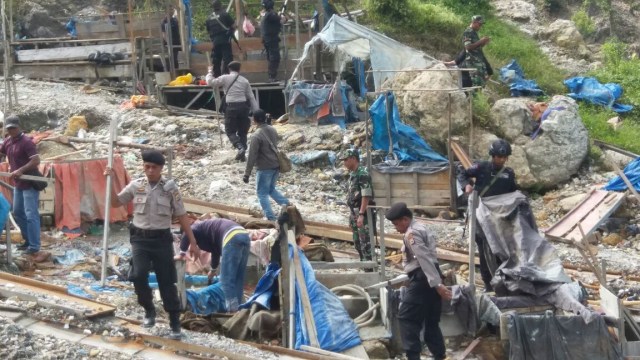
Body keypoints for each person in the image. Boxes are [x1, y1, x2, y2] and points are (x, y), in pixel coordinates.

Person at [106, 150, 201, 340]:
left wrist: (193, 242)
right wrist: (111, 180)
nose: (150, 171)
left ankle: (174, 322)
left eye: (154, 167)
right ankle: (149, 309)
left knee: (166, 281)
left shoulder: (170, 189)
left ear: (161, 169)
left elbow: (182, 215)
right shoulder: (136, 185)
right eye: (147, 166)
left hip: (161, 241)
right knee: (138, 274)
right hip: (140, 239)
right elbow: (116, 203)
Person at [386, 202, 451, 360]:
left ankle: (413, 356)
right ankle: (440, 355)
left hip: (424, 278)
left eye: (396, 224)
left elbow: (423, 259)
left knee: (406, 317)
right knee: (430, 320)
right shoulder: (420, 227)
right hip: (431, 274)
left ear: (405, 219)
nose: (396, 228)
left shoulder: (412, 233)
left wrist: (437, 285)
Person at [457, 138, 516, 291]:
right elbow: (462, 173)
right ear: (492, 155)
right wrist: (467, 186)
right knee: (484, 250)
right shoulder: (481, 167)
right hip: (480, 217)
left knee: (500, 251)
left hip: (499, 218)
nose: (500, 160)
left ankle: (502, 282)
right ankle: (488, 284)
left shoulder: (509, 174)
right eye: (497, 156)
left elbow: (512, 195)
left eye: (503, 157)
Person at [174, 218, 250, 312]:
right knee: (238, 278)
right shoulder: (205, 232)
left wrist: (182, 253)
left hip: (231, 237)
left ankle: (233, 311)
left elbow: (189, 230)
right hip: (244, 235)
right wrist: (213, 270)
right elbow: (215, 251)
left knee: (225, 280)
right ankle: (241, 309)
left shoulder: (194, 228)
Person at [0, 115, 41, 255]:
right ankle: (28, 241)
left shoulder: (26, 142)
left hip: (29, 182)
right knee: (17, 212)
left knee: (31, 214)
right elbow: (1, 152)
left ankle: (35, 246)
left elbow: (36, 160)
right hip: (18, 183)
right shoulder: (8, 142)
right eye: (9, 129)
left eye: (14, 128)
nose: (11, 131)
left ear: (19, 127)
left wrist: (20, 170)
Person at [206, 61, 259, 162]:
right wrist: (256, 112)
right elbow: (251, 97)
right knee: (243, 132)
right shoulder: (245, 81)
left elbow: (211, 82)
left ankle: (240, 148)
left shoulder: (225, 78)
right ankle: (242, 155)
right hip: (244, 107)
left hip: (231, 107)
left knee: (230, 131)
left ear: (229, 69)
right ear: (239, 69)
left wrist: (209, 71)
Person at [243, 109, 290, 221]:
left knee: (262, 194)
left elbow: (252, 156)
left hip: (264, 168)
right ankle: (288, 205)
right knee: (271, 189)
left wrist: (247, 174)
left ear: (254, 120)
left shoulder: (256, 136)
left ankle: (271, 219)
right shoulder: (272, 129)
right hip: (276, 165)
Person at [340, 148, 374, 261]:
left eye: (346, 160)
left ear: (353, 159)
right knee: (357, 241)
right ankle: (363, 263)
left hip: (361, 213)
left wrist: (361, 214)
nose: (344, 163)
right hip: (354, 212)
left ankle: (369, 268)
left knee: (365, 243)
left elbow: (366, 195)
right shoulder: (352, 174)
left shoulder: (362, 173)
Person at [206, 0, 235, 78]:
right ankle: (226, 76)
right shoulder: (225, 14)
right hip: (225, 40)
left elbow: (208, 30)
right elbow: (233, 25)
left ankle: (217, 77)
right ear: (221, 5)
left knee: (216, 60)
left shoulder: (209, 18)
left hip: (215, 42)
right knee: (227, 59)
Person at [461, 15, 493, 87]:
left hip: (478, 64)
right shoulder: (468, 32)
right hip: (472, 64)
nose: (480, 26)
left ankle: (477, 98)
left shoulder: (474, 33)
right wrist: (480, 41)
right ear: (474, 22)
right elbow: (468, 47)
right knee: (476, 85)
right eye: (479, 24)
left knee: (480, 85)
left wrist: (483, 43)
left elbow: (475, 48)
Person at [260, 0, 286, 82]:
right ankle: (272, 76)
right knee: (274, 57)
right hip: (271, 39)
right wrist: (282, 15)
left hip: (267, 39)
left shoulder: (265, 14)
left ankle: (271, 76)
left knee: (271, 57)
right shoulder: (271, 14)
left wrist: (280, 14)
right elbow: (283, 20)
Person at [161, 4, 181, 70]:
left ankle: (177, 73)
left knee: (176, 59)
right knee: (171, 60)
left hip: (177, 43)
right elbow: (164, 35)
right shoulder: (164, 22)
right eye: (170, 9)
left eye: (172, 9)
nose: (172, 11)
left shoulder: (175, 20)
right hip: (169, 44)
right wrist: (169, 44)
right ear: (166, 11)